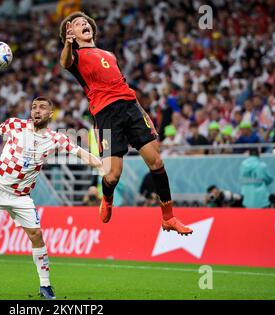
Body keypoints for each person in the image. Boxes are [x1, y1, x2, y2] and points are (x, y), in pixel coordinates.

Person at [0, 97, 104, 299]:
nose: (36, 110)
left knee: (36, 235)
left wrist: (104, 166)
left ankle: (45, 286)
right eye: (33, 107)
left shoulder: (57, 138)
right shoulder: (16, 124)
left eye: (42, 107)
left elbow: (82, 154)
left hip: (20, 195)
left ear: (51, 114)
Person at [59, 12, 192, 235]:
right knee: (112, 175)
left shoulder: (108, 54)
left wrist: (140, 111)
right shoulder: (75, 56)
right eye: (77, 25)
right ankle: (107, 199)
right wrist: (68, 44)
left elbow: (121, 83)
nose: (83, 25)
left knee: (157, 162)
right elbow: (65, 63)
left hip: (131, 107)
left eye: (85, 23)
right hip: (106, 114)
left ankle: (168, 217)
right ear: (70, 34)